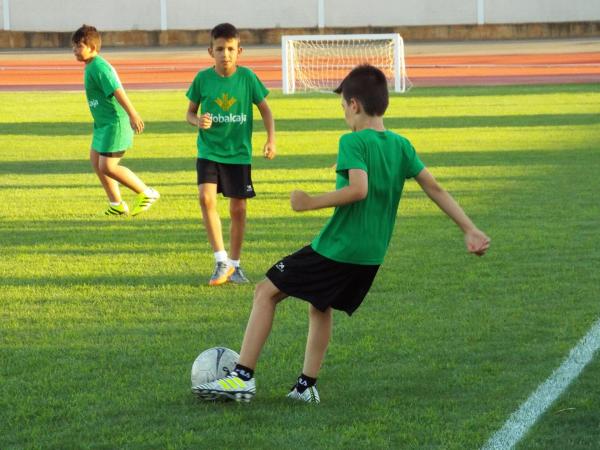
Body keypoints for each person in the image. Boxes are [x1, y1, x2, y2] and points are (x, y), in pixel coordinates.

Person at [193, 65, 490, 403]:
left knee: (265, 291)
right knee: (321, 306)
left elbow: (359, 189)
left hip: (339, 248)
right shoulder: (401, 145)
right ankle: (306, 387)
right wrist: (469, 228)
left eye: (343, 109)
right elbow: (434, 187)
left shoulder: (353, 141)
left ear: (354, 105)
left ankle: (242, 376)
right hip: (370, 256)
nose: (344, 117)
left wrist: (308, 203)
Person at [186, 23, 276, 286]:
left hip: (238, 154)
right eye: (219, 49)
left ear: (239, 51)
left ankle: (235, 266)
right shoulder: (202, 79)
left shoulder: (248, 78)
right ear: (210, 51)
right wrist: (198, 120)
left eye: (230, 49)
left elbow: (266, 110)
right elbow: (190, 113)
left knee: (238, 208)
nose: (225, 54)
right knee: (205, 198)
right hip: (209, 151)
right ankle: (220, 260)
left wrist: (271, 140)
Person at [71, 25, 160, 217]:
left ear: (93, 48)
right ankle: (117, 204)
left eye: (79, 46)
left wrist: (133, 114)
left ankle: (146, 192)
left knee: (108, 166)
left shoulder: (99, 67)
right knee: (96, 161)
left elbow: (117, 90)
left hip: (115, 123)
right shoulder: (91, 66)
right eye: (75, 46)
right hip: (102, 125)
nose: (75, 50)